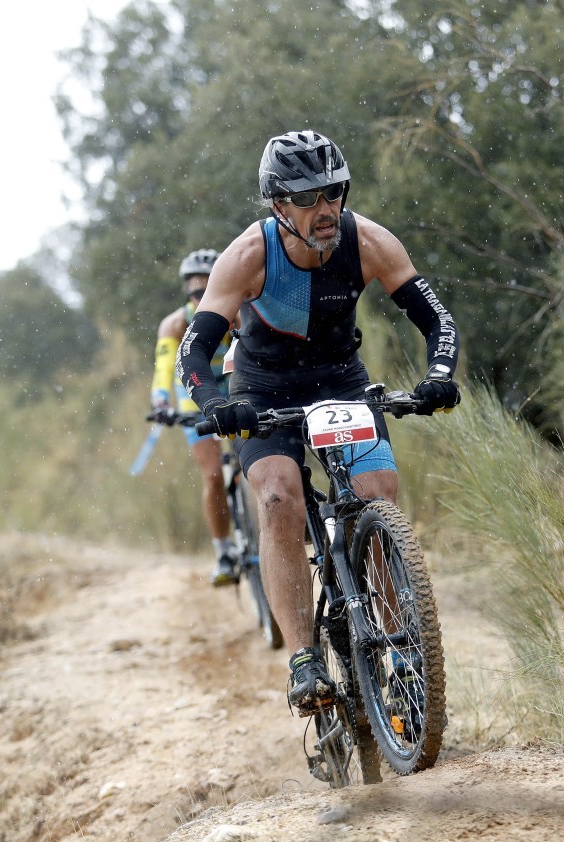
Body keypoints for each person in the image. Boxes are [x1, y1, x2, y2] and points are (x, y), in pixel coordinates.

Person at [175, 129, 460, 716]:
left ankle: (401, 647)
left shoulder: (370, 241)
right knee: (281, 498)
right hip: (263, 386)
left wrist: (438, 374)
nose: (325, 209)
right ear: (279, 205)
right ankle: (303, 659)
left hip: (340, 380)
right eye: (308, 198)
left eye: (333, 193)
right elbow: (193, 353)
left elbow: (437, 322)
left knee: (377, 492)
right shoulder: (248, 256)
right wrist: (215, 404)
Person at [150, 248, 239, 586]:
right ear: (185, 291)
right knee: (214, 475)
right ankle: (224, 553)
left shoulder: (235, 311)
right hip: (193, 397)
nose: (200, 296)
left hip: (231, 389)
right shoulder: (174, 325)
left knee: (253, 466)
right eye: (194, 290)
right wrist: (160, 401)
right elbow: (162, 370)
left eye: (207, 288)